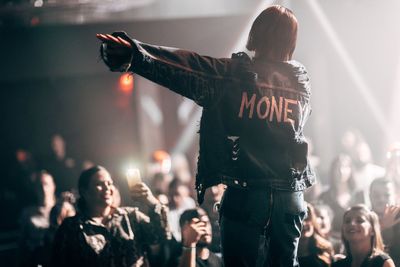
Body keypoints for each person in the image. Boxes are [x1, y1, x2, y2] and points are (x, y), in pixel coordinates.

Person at [98, 5, 315, 266]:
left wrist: (135, 53)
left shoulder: (233, 76)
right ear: (291, 40)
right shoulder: (300, 82)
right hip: (290, 196)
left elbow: (186, 66)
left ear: (256, 34)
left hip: (247, 195)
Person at [52, 165, 168, 267]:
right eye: (99, 184)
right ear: (84, 191)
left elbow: (161, 236)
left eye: (109, 183)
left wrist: (152, 202)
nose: (107, 188)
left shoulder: (130, 217)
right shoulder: (72, 227)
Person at [369, 178, 400, 266]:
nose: (381, 199)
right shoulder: (363, 220)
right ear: (370, 196)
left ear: (396, 196)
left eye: (387, 195)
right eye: (376, 195)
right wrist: (382, 227)